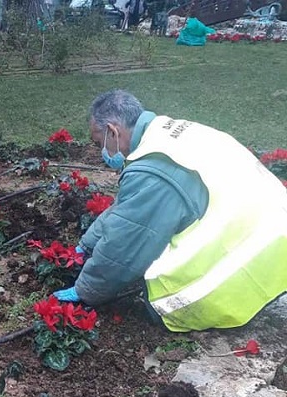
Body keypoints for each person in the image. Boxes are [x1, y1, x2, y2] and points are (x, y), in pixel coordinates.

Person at [53, 89, 287, 332]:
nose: (100, 153)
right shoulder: (168, 134)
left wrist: (85, 290)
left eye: (97, 142)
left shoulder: (155, 171)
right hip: (274, 228)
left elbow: (125, 246)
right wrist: (87, 244)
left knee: (163, 306)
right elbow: (128, 210)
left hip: (257, 255)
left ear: (113, 132)